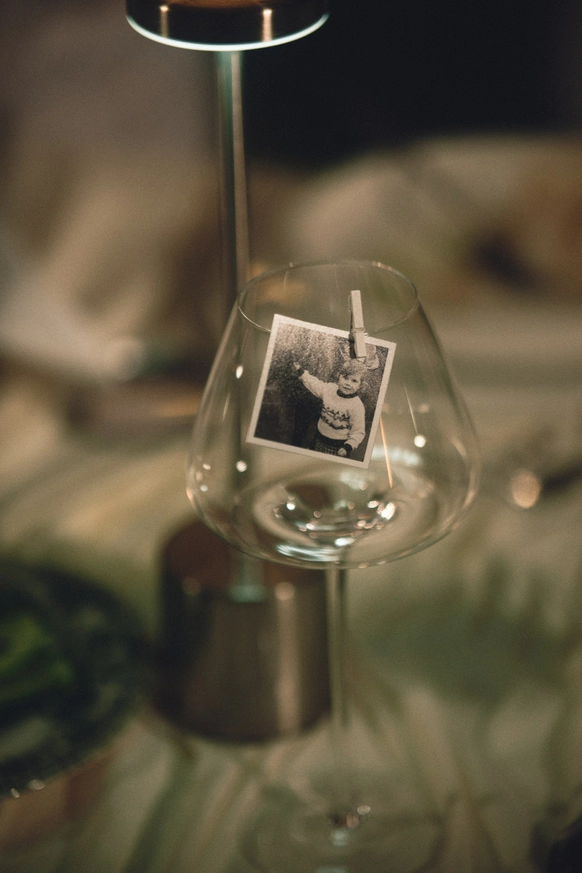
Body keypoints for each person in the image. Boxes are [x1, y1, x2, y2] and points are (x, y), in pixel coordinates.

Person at [294, 359, 367, 458]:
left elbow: (358, 431)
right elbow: (315, 384)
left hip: (339, 446)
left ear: (360, 386)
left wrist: (348, 446)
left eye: (354, 381)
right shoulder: (329, 390)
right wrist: (301, 373)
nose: (348, 383)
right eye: (345, 378)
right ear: (338, 377)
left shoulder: (356, 406)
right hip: (319, 437)